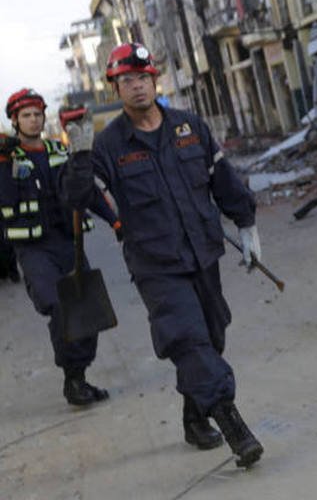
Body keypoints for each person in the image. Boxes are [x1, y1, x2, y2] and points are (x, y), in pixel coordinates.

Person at [62, 42, 264, 468]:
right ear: (115, 88)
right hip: (155, 265)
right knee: (186, 339)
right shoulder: (108, 145)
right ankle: (233, 426)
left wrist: (246, 225)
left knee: (211, 338)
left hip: (203, 254)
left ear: (155, 80)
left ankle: (194, 418)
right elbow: (78, 199)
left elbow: (221, 179)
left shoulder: (190, 127)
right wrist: (79, 157)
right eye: (126, 81)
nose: (136, 87)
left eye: (142, 77)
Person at [0, 89, 118, 406]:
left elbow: (86, 189)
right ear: (15, 120)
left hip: (69, 240)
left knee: (87, 308)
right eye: (26, 115)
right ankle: (72, 378)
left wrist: (114, 221)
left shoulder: (58, 150)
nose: (34, 119)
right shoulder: (7, 156)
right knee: (57, 304)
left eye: (38, 113)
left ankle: (78, 377)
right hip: (33, 248)